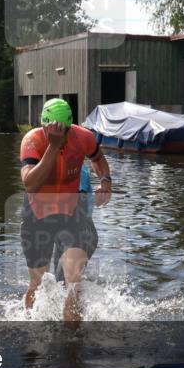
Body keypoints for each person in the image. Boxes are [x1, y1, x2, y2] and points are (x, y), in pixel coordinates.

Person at [20, 98, 111, 321]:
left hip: (72, 215)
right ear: (44, 125)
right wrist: (53, 145)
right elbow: (30, 183)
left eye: (66, 130)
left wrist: (106, 180)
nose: (63, 134)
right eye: (55, 130)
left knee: (73, 279)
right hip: (37, 217)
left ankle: (71, 340)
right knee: (37, 283)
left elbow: (99, 159)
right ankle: (28, 322)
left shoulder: (83, 137)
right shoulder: (33, 140)